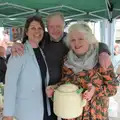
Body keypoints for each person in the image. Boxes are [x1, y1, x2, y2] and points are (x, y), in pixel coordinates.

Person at [11, 12, 111, 119]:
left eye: (58, 26)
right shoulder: (41, 39)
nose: (55, 30)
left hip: (67, 95)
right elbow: (27, 42)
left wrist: (104, 51)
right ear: (47, 28)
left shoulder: (71, 39)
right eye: (51, 27)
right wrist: (16, 45)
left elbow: (93, 43)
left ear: (64, 25)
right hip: (43, 93)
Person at [46, 23, 117, 120]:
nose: (76, 43)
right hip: (72, 115)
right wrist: (54, 89)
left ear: (89, 40)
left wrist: (94, 90)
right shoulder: (67, 61)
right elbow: (66, 84)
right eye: (73, 40)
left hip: (96, 116)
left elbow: (112, 89)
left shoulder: (101, 59)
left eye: (80, 39)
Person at [3, 16, 51, 120]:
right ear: (26, 32)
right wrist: (8, 115)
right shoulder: (19, 52)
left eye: (40, 28)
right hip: (27, 111)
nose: (37, 31)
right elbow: (10, 85)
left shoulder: (41, 52)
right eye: (33, 28)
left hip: (44, 108)